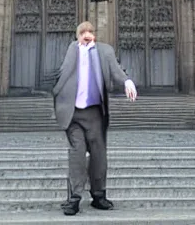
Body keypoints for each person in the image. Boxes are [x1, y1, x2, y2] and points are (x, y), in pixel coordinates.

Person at [52, 21, 137, 216]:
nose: (87, 35)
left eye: (90, 31)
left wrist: (127, 81)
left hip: (95, 113)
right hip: (73, 113)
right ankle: (73, 198)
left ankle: (99, 195)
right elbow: (61, 74)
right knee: (77, 154)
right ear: (77, 36)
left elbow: (116, 69)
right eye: (83, 32)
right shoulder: (71, 51)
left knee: (99, 156)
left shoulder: (104, 51)